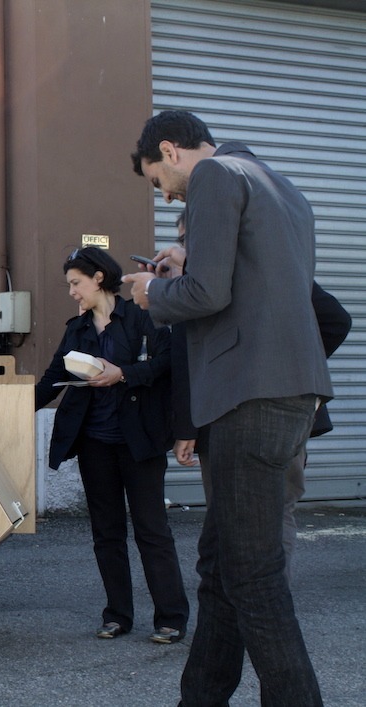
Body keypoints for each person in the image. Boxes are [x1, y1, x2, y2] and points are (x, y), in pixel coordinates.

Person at [125, 110, 332, 706]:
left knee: (253, 576)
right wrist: (187, 258)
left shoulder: (214, 176)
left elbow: (208, 294)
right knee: (221, 568)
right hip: (290, 392)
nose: (164, 195)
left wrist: (153, 291)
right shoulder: (276, 182)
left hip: (247, 394)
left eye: (156, 179)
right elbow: (256, 280)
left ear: (169, 149)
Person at [164, 213, 352, 584]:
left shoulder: (263, 272)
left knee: (271, 509)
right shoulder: (197, 286)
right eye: (181, 241)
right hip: (222, 419)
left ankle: (268, 602)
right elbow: (186, 357)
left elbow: (335, 320)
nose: (183, 248)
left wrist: (294, 380)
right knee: (230, 516)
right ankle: (247, 604)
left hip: (272, 414)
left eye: (189, 241)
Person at [35, 246, 188, 644]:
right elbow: (53, 377)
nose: (71, 292)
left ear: (98, 278)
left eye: (75, 283)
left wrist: (125, 374)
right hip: (94, 444)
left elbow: (169, 362)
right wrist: (10, 406)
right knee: (106, 533)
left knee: (152, 531)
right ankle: (117, 615)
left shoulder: (141, 315)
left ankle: (171, 618)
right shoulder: (78, 329)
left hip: (140, 441)